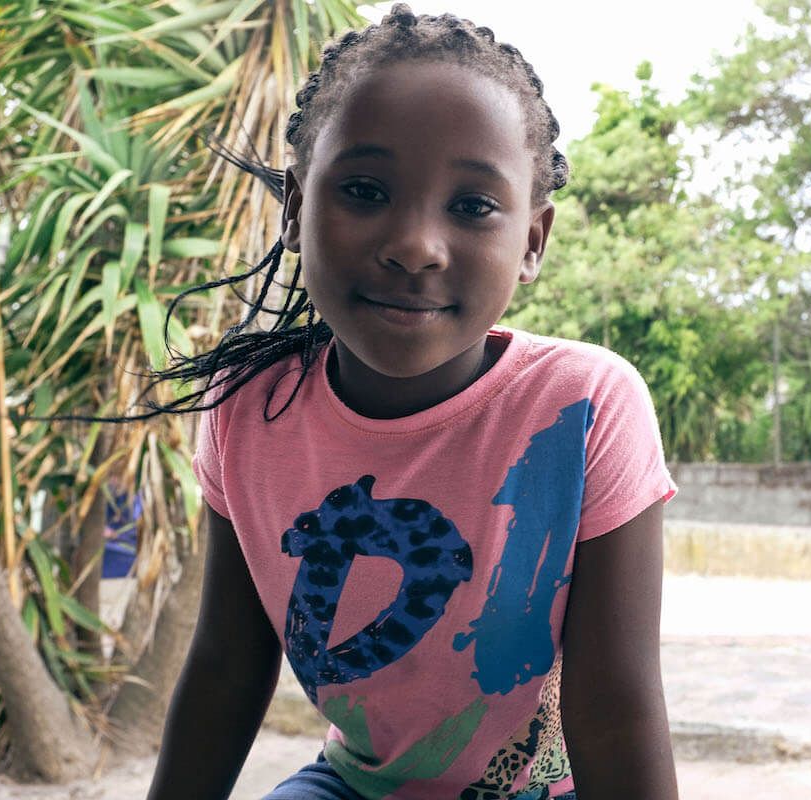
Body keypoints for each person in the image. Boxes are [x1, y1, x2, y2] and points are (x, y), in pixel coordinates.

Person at [142, 6, 679, 799]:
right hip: (355, 785)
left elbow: (615, 712)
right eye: (365, 191)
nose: (415, 246)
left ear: (532, 242)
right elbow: (227, 666)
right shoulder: (250, 409)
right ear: (294, 209)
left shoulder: (583, 408)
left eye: (472, 206)